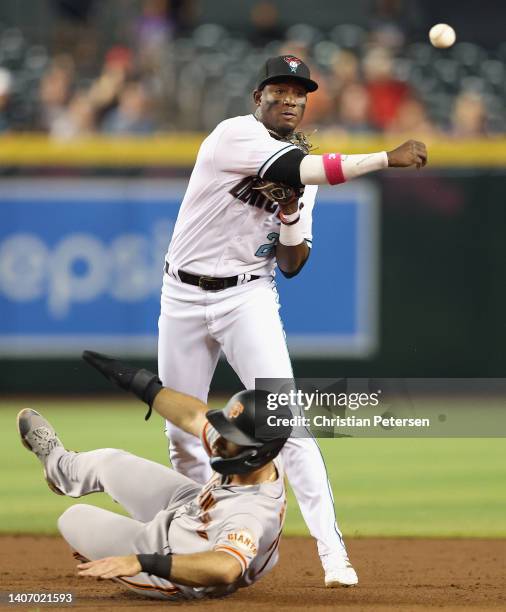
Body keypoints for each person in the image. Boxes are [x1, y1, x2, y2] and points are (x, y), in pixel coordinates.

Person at [158, 54, 427, 587]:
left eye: (298, 93)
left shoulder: (300, 175)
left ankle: (334, 559)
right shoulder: (232, 135)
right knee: (181, 434)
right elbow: (301, 168)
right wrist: (384, 158)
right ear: (257, 98)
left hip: (248, 297)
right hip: (183, 295)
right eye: (278, 90)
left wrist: (287, 211)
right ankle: (197, 543)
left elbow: (292, 262)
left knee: (288, 422)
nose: (289, 100)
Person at [16, 351, 292, 601]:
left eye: (230, 436)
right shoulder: (251, 451)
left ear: (255, 455)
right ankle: (58, 466)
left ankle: (132, 561)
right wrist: (141, 383)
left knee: (73, 518)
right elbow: (192, 416)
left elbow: (226, 568)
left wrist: (145, 562)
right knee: (111, 461)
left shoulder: (251, 513)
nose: (218, 439)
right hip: (191, 507)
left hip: (176, 560)